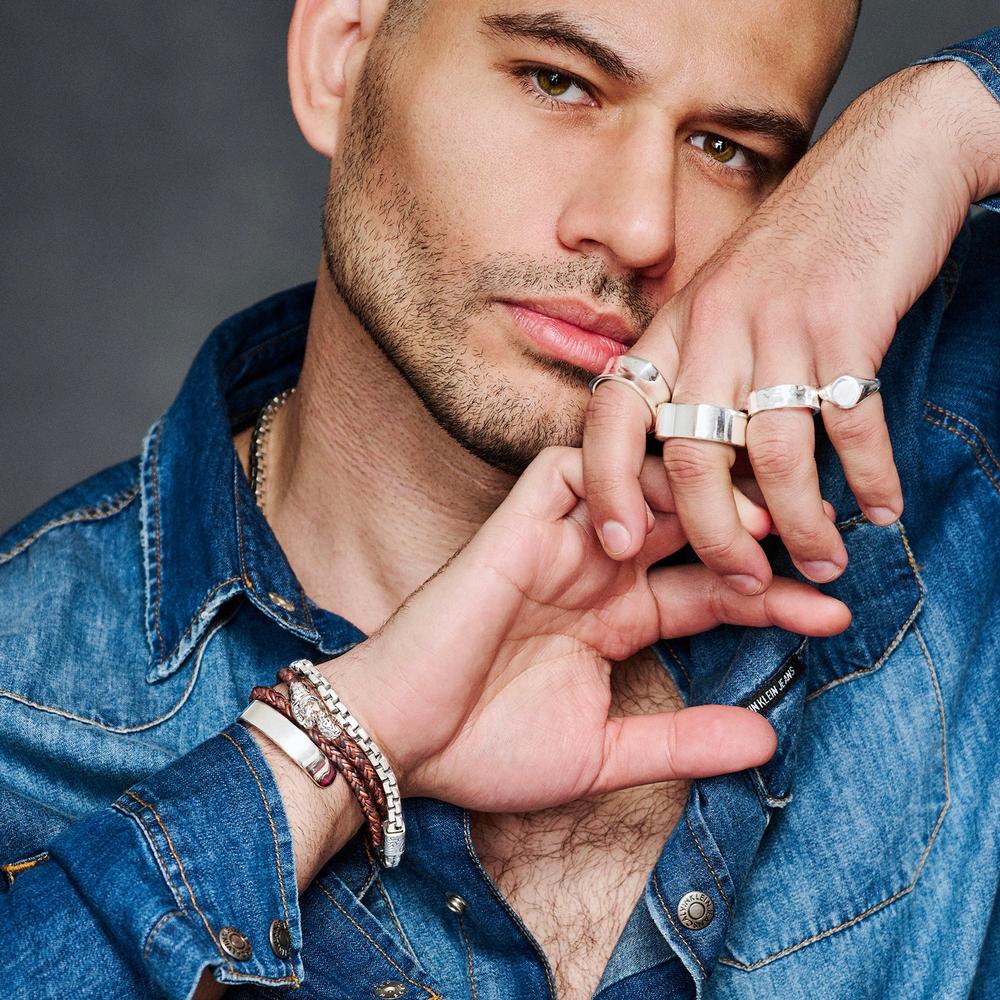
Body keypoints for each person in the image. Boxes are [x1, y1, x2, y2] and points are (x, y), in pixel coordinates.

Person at [1, 0, 997, 997]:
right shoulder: (25, 703)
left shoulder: (935, 449)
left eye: (726, 149)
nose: (638, 228)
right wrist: (329, 749)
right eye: (557, 82)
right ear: (340, 58)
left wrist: (939, 122)